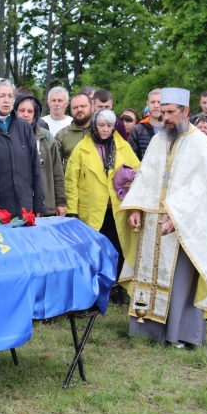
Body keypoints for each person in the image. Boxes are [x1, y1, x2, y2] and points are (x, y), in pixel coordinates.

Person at [121, 88, 207, 347]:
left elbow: (201, 189)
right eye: (162, 112)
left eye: (170, 112)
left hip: (182, 226)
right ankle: (146, 330)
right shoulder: (158, 140)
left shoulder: (202, 145)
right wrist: (135, 208)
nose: (164, 117)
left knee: (179, 281)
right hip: (152, 224)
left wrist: (177, 216)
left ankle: (178, 333)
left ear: (185, 111)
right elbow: (145, 176)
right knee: (148, 275)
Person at [66, 109, 140, 303]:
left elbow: (139, 171)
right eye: (101, 125)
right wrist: (72, 211)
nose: (106, 129)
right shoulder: (81, 149)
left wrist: (132, 182)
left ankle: (117, 291)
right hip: (91, 211)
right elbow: (71, 182)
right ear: (94, 126)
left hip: (117, 210)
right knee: (92, 252)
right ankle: (94, 292)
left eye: (109, 125)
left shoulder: (123, 146)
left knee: (118, 251)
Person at [0, 79, 45, 220]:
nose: (6, 100)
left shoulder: (24, 127)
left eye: (10, 96)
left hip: (25, 209)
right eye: (2, 96)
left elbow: (35, 167)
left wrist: (39, 204)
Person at [15, 94, 66, 217]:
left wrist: (60, 202)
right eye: (22, 110)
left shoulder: (46, 137)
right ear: (15, 112)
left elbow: (57, 171)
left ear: (35, 114)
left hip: (45, 206)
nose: (25, 115)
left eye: (30, 111)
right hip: (17, 207)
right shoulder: (9, 137)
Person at [54, 93, 93, 167]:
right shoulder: (61, 135)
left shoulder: (101, 132)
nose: (79, 109)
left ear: (92, 106)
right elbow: (55, 166)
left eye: (83, 106)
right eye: (75, 107)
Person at [128, 89, 162, 160]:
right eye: (153, 102)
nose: (156, 105)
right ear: (148, 103)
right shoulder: (137, 130)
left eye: (159, 102)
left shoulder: (173, 129)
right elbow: (131, 160)